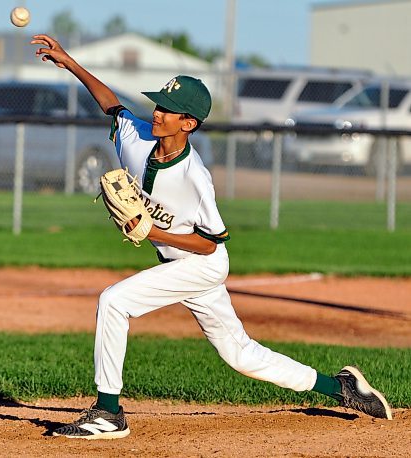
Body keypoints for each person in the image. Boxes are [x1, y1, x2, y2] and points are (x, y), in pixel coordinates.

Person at [31, 34, 392, 440]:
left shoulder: (194, 177)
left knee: (113, 302)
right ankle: (341, 387)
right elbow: (111, 104)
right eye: (158, 103)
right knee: (240, 354)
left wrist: (155, 231)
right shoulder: (135, 137)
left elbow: (210, 242)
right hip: (176, 264)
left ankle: (109, 413)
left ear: (188, 123)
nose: (157, 112)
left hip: (201, 264)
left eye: (168, 109)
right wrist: (71, 63)